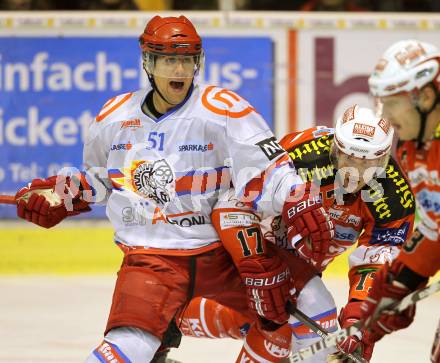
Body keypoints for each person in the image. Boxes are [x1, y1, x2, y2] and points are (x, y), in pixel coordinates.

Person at [13, 15, 334, 363]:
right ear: (148, 63)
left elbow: (268, 167)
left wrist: (295, 196)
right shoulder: (114, 116)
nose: (179, 70)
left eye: (186, 60)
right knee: (131, 344)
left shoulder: (223, 109)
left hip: (224, 255)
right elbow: (98, 179)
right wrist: (62, 195)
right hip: (151, 260)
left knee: (315, 304)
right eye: (169, 60)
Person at [160, 105, 416, 363]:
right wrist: (257, 263)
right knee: (294, 321)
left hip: (301, 267)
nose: (355, 173)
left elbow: (375, 263)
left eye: (368, 164)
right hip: (250, 246)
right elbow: (231, 203)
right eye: (349, 158)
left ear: (383, 160)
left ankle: (163, 318)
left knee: (269, 322)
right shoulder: (302, 155)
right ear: (335, 148)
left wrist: (359, 318)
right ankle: (162, 316)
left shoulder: (394, 197)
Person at [359, 39, 440, 363]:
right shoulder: (412, 149)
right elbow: (435, 229)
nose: (387, 118)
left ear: (426, 97)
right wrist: (400, 281)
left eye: (392, 104)